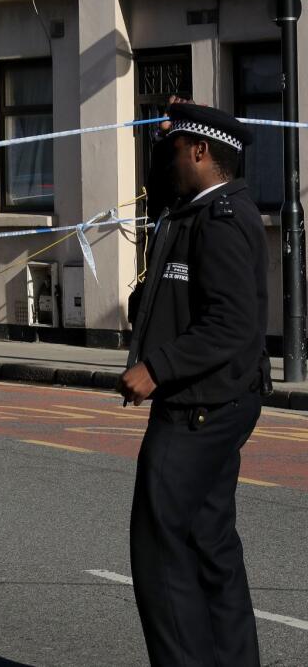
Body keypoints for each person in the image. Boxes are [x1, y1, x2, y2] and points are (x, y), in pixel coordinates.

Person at [120, 103, 268, 667]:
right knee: (209, 541)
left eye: (174, 148)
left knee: (161, 550)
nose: (166, 158)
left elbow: (233, 324)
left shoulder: (223, 219)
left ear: (201, 152)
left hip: (200, 407)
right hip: (208, 401)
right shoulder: (192, 212)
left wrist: (159, 368)